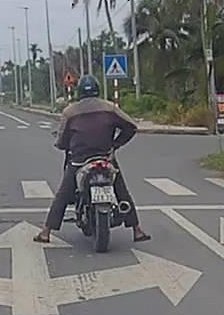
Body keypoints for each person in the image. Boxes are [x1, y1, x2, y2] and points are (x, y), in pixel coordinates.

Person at [36, 75, 150, 244]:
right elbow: (131, 127)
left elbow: (62, 139)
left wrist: (62, 145)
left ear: (79, 92)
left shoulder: (70, 112)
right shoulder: (110, 108)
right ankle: (137, 230)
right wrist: (115, 145)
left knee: (63, 194)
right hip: (105, 157)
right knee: (121, 191)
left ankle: (46, 232)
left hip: (79, 160)